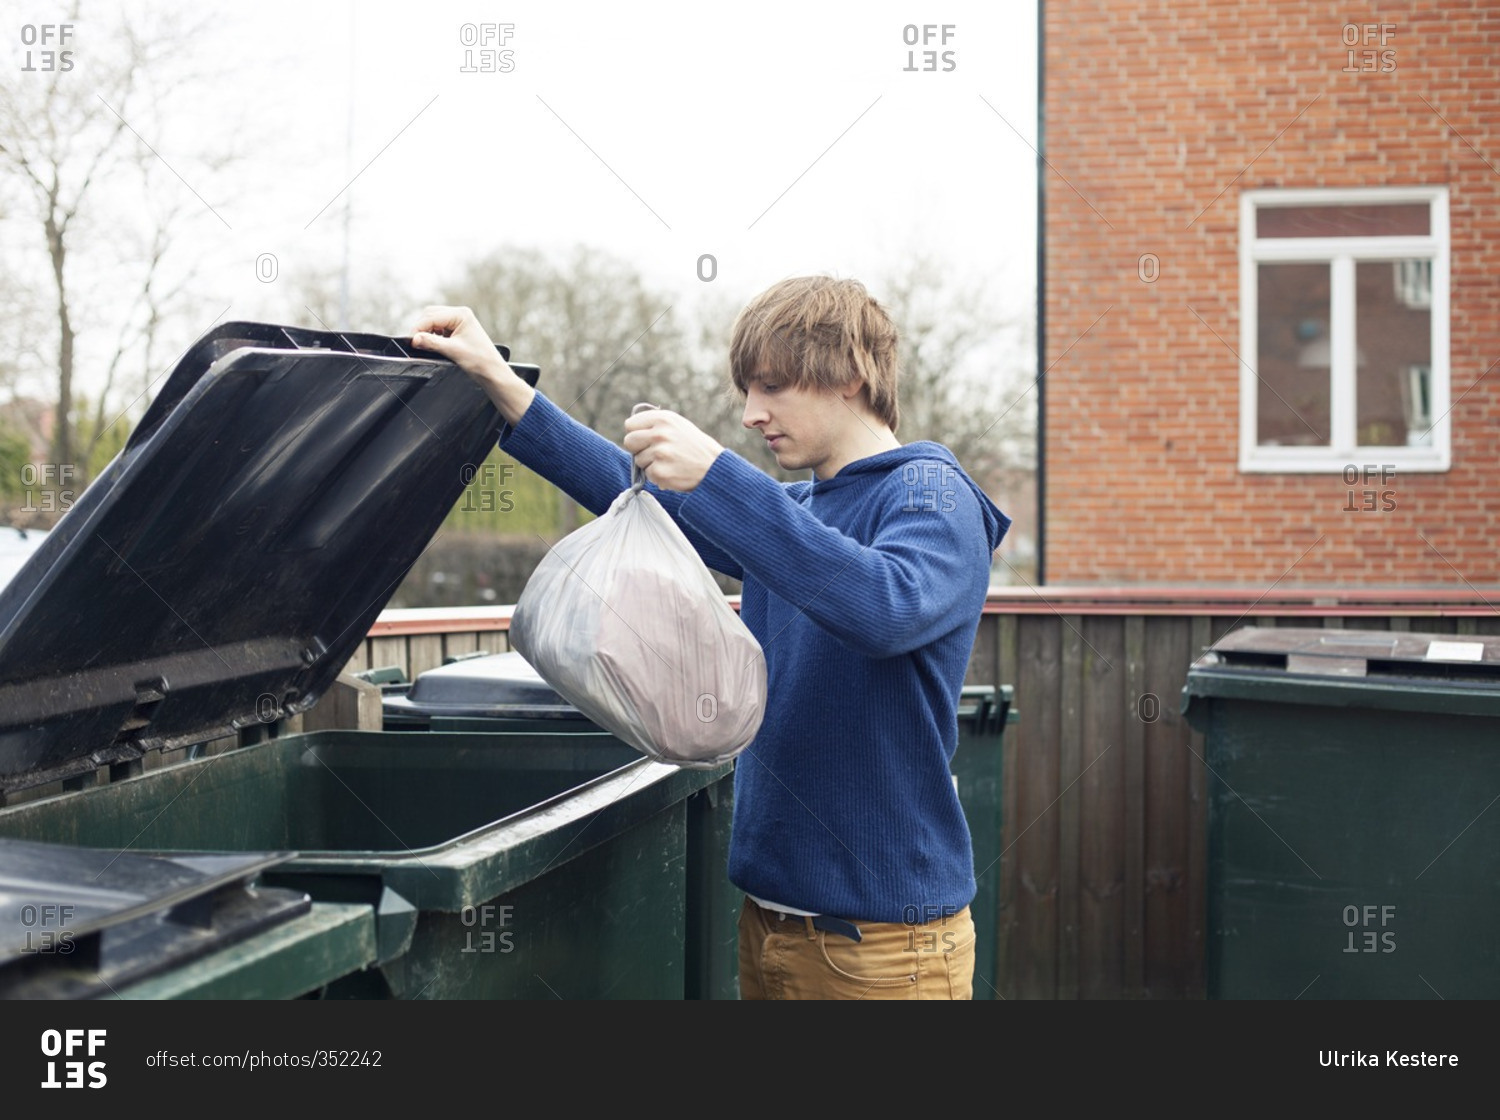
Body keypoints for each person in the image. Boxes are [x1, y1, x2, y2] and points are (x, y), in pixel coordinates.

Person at [410, 275, 1011, 999]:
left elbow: (885, 606)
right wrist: (501, 385)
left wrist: (721, 477)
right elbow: (642, 499)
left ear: (850, 375)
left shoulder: (931, 496)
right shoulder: (800, 511)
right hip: (771, 924)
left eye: (772, 388)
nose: (753, 414)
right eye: (746, 393)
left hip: (884, 949)